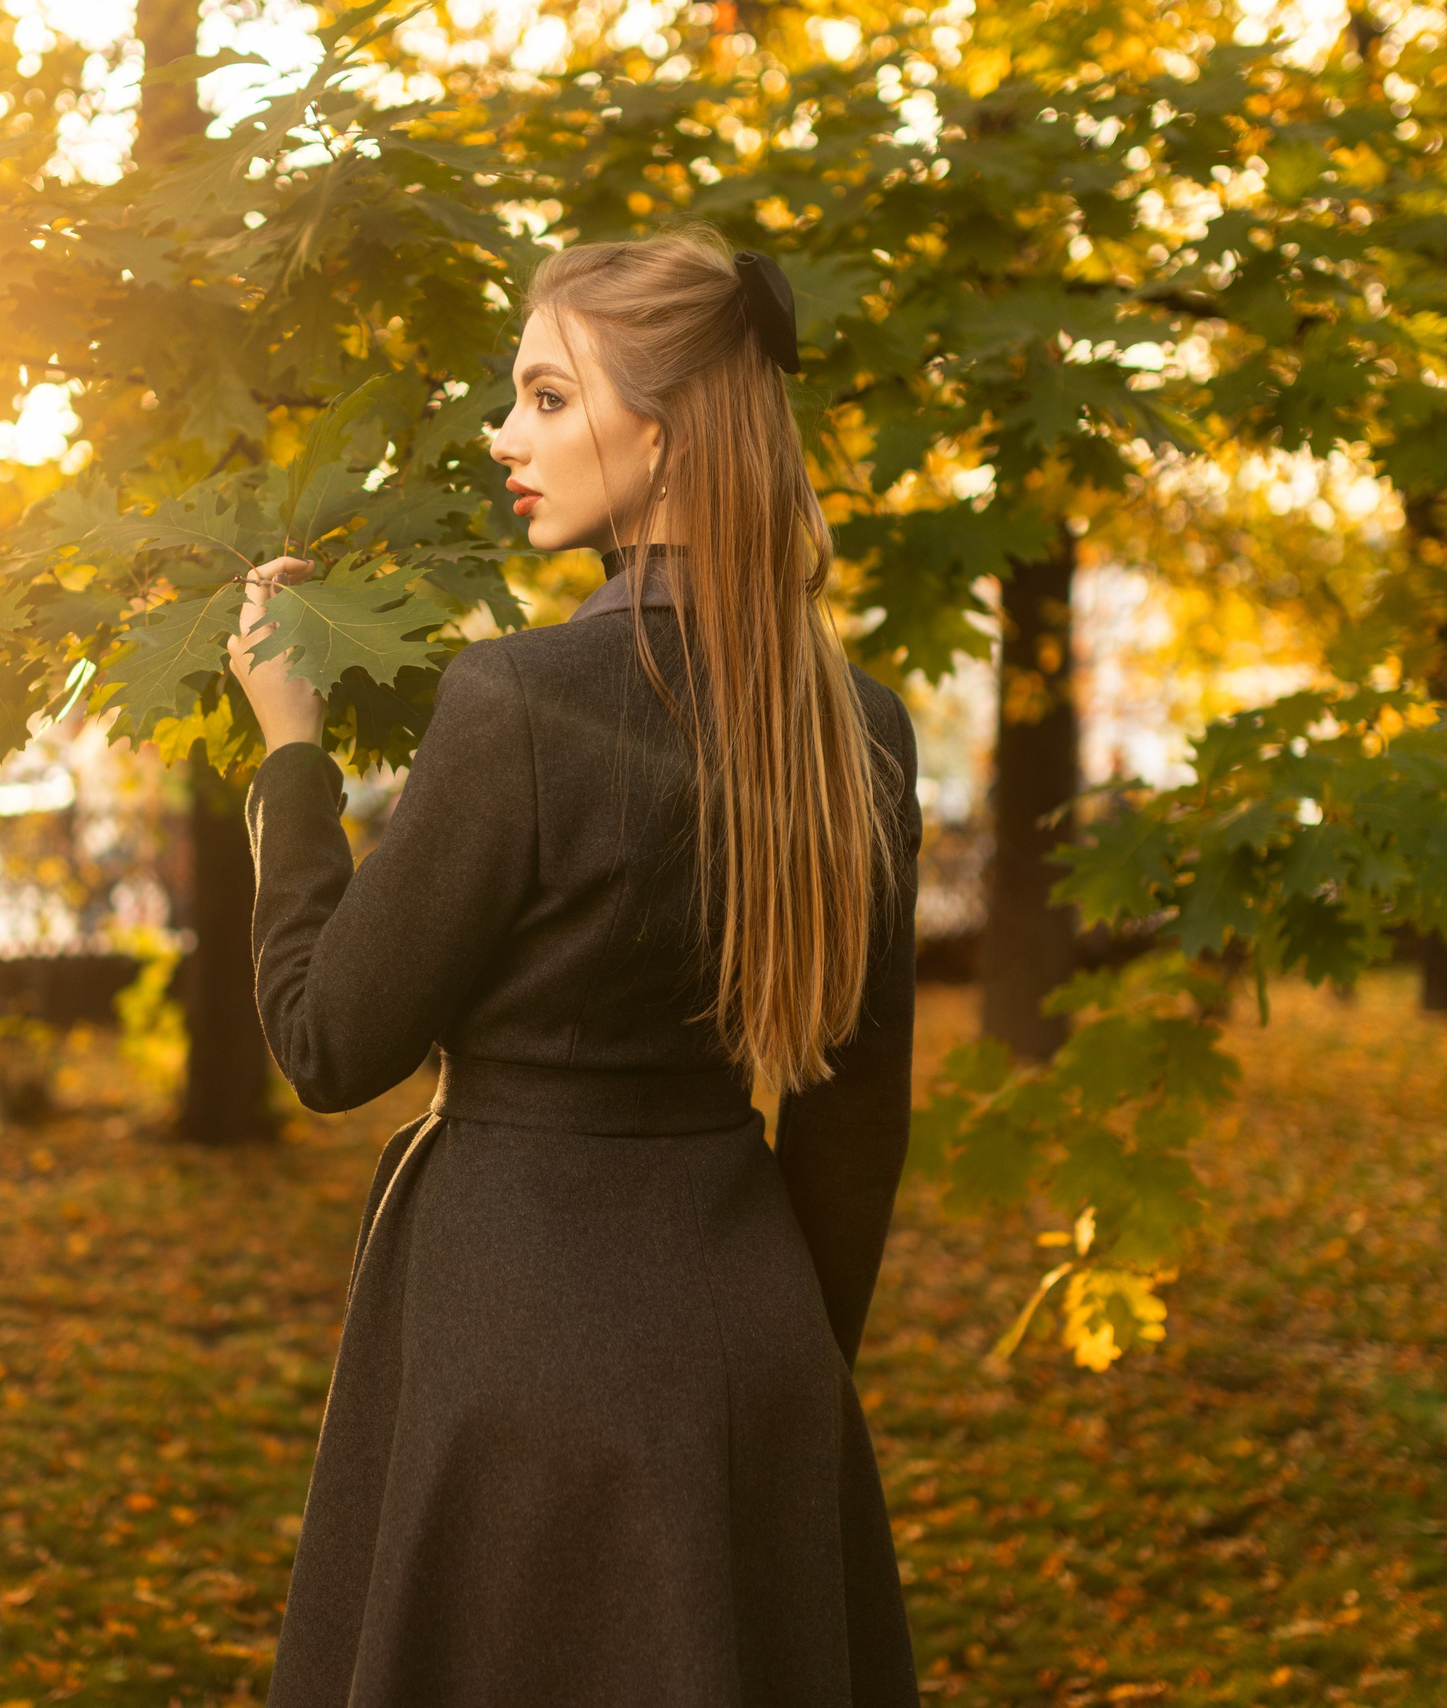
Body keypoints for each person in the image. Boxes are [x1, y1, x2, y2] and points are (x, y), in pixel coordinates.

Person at [224, 230, 923, 1708]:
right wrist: (791, 1366)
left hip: (515, 1343)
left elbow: (328, 1041)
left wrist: (290, 750)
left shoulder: (520, 701)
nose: (505, 433)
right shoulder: (855, 722)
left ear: (665, 433)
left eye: (547, 397)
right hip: (756, 1333)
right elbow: (856, 1119)